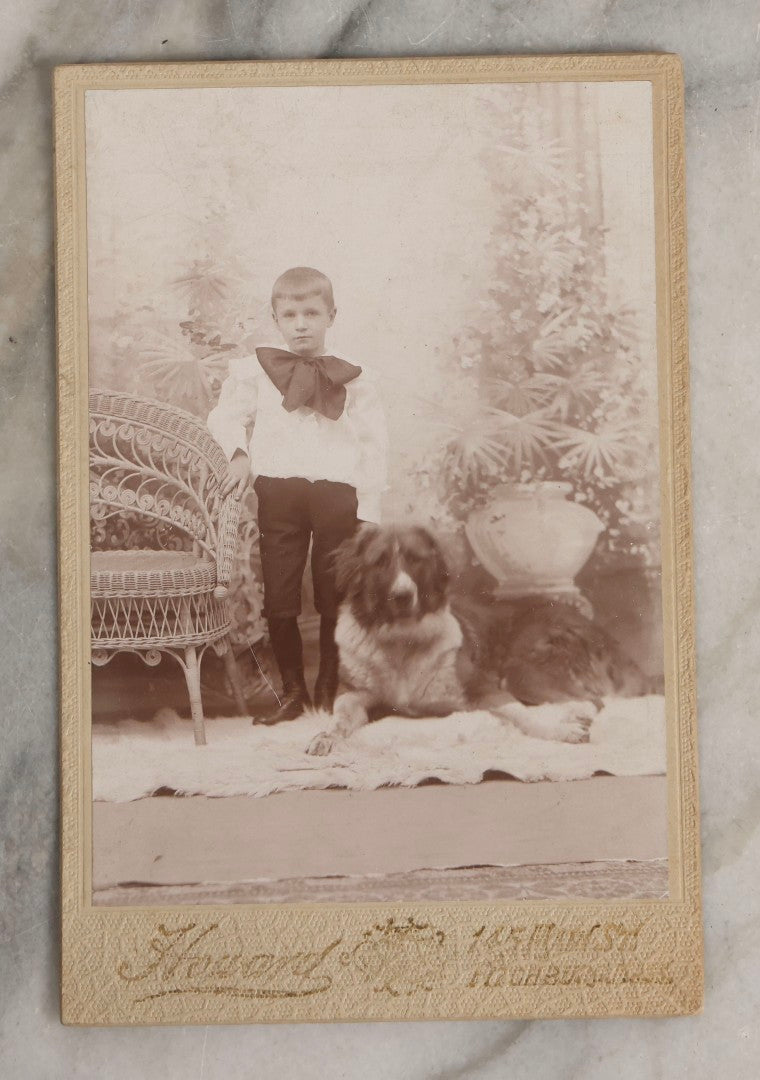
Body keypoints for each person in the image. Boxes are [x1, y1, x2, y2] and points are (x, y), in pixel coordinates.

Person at [208, 266, 388, 722]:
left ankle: (328, 683)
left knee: (333, 595)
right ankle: (291, 691)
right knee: (281, 595)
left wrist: (369, 508)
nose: (301, 324)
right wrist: (238, 454)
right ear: (276, 318)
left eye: (311, 313)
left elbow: (373, 444)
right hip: (279, 493)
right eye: (290, 314)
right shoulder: (255, 372)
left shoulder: (354, 376)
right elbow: (225, 416)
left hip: (336, 496)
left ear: (331, 315)